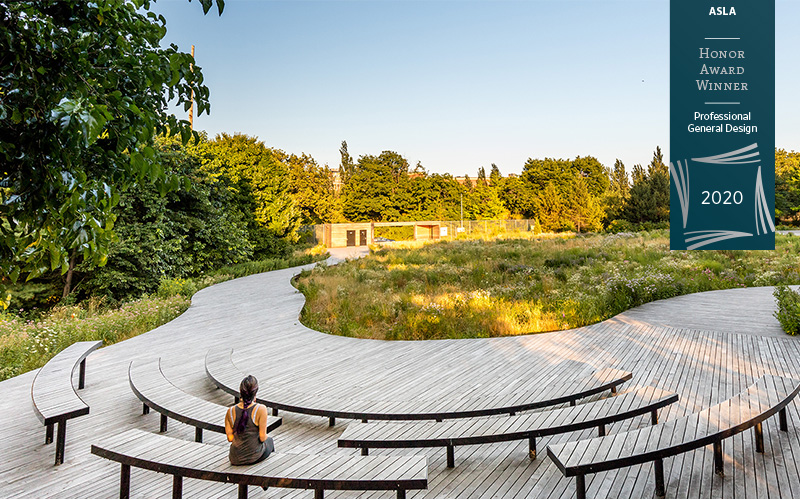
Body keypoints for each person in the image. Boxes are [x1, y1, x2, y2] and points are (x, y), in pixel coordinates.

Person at [225, 375, 275, 465]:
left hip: (235, 458)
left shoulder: (230, 411)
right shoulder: (261, 409)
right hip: (253, 456)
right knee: (270, 441)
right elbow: (262, 437)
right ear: (255, 392)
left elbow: (230, 438)